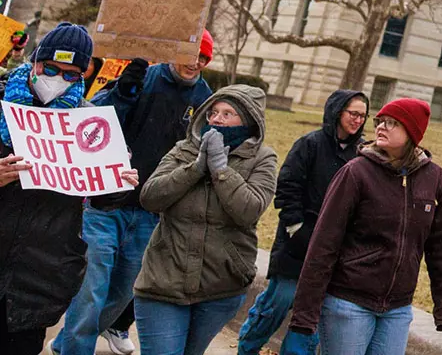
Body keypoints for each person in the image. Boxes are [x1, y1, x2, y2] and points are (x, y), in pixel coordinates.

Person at [54, 30, 214, 355]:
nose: (195, 62)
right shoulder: (144, 76)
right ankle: (74, 349)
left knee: (123, 292)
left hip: (150, 213)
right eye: (191, 53)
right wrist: (124, 92)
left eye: (204, 57)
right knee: (92, 288)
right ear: (176, 50)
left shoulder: (205, 99)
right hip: (106, 204)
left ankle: (68, 341)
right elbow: (95, 119)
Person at [0, 22, 138, 355]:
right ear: (35, 62)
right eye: (50, 69)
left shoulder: (90, 124)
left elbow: (104, 201)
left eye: (71, 74)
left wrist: (119, 181)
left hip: (39, 274)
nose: (58, 79)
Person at [288, 98, 442, 355]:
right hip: (347, 303)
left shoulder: (436, 180)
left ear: (412, 131)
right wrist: (305, 313)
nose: (381, 127)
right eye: (380, 121)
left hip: (398, 309)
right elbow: (324, 243)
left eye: (392, 123)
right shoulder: (356, 172)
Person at [134, 85, 277, 355]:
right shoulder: (185, 149)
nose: (217, 119)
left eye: (228, 113)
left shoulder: (262, 158)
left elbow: (250, 210)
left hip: (221, 286)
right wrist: (196, 168)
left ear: (248, 120)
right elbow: (150, 197)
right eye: (213, 112)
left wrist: (221, 170)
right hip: (163, 281)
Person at [237, 90, 370, 355]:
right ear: (337, 111)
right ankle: (246, 348)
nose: (357, 120)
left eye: (363, 116)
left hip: (333, 251)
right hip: (296, 245)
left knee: (308, 320)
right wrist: (296, 228)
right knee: (277, 304)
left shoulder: (362, 154)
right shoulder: (310, 144)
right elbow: (287, 187)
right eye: (352, 113)